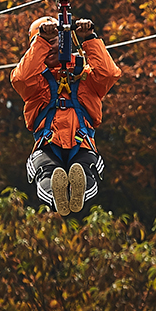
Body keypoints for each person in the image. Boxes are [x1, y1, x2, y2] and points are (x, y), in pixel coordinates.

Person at [12, 16, 121, 215]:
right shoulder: (35, 82)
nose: (51, 47)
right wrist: (43, 40)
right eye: (44, 43)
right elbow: (21, 78)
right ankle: (56, 193)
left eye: (54, 41)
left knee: (86, 168)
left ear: (65, 41)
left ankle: (77, 191)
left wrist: (89, 38)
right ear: (36, 46)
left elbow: (109, 74)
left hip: (82, 142)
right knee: (45, 170)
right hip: (47, 143)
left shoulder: (85, 75)